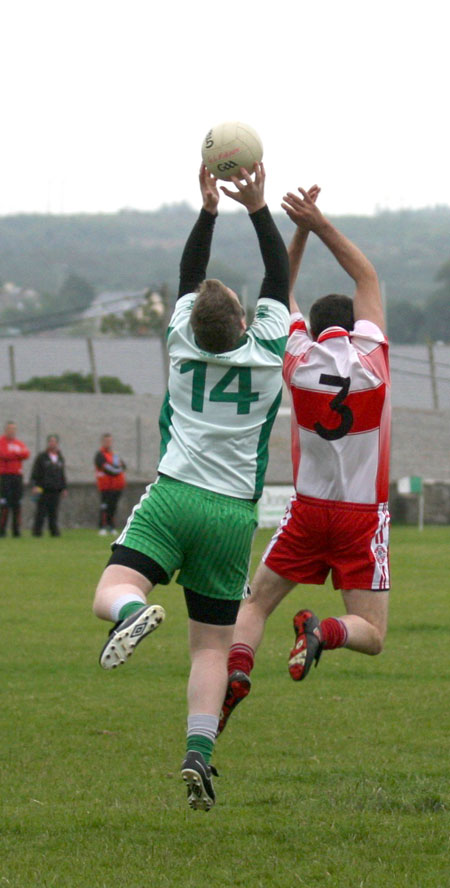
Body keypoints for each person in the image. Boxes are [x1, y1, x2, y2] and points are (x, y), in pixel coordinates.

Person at [92, 162, 290, 810]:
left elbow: (186, 277)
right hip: (233, 514)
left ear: (195, 325)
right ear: (243, 321)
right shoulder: (264, 354)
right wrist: (259, 207)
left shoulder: (180, 344)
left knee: (111, 588)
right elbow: (278, 279)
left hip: (175, 495)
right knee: (210, 644)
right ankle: (199, 754)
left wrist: (207, 210)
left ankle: (130, 613)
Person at [218, 184, 391, 735]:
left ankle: (237, 674)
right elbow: (367, 277)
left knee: (254, 605)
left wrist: (297, 230)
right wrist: (320, 222)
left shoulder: (297, 356)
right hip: (362, 517)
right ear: (360, 325)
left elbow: (280, 288)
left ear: (312, 328)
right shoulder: (373, 362)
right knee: (371, 632)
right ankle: (322, 631)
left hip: (308, 511)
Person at [30, 434, 67, 536]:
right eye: (50, 441)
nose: (52, 444)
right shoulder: (42, 457)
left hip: (55, 489)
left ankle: (54, 531)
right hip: (43, 488)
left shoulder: (60, 458)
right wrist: (34, 485)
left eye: (54, 442)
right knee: (41, 512)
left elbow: (62, 474)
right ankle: (37, 532)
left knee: (53, 512)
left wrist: (64, 488)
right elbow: (35, 472)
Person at [0, 421, 30, 537]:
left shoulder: (19, 443)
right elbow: (4, 454)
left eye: (14, 429)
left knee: (17, 503)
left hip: (17, 477)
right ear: (5, 430)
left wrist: (14, 454)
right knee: (5, 504)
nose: (12, 431)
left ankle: (16, 530)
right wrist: (17, 454)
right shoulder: (1, 442)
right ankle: (2, 530)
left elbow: (26, 454)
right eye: (10, 429)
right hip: (5, 476)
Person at [94, 434, 126, 536]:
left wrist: (118, 468)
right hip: (105, 486)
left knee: (113, 507)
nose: (108, 443)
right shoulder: (100, 455)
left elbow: (123, 466)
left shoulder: (114, 455)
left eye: (110, 441)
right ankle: (102, 526)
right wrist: (117, 469)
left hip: (116, 486)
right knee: (105, 507)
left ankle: (111, 526)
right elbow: (108, 469)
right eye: (106, 441)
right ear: (102, 442)